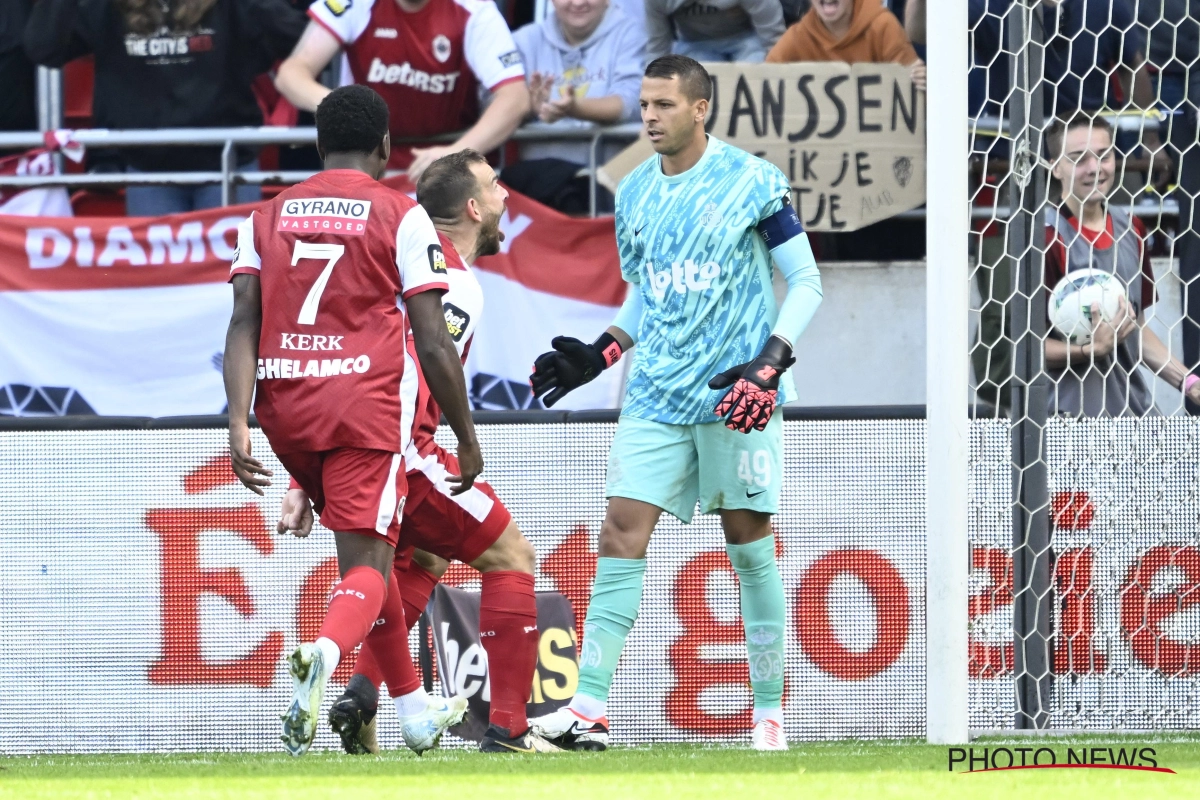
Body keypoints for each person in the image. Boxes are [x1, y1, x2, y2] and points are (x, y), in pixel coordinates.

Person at [527, 55, 823, 752]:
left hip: (737, 394)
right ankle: (590, 710)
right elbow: (648, 291)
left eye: (663, 104)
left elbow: (805, 281)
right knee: (618, 531)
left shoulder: (753, 182)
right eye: (644, 103)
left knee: (749, 548)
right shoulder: (632, 192)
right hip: (657, 392)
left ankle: (769, 716)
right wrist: (601, 353)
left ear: (701, 108)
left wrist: (771, 362)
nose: (650, 117)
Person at [222, 84, 482, 757]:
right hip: (365, 408)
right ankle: (323, 652)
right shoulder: (402, 213)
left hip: (286, 413)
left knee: (375, 562)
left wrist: (238, 421)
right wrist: (466, 434)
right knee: (370, 566)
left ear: (317, 145)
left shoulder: (265, 216)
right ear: (387, 146)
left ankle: (416, 713)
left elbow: (243, 321)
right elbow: (433, 340)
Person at [277, 149, 559, 755]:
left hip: (343, 440)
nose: (507, 193)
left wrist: (309, 474)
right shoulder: (452, 280)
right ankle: (510, 729)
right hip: (398, 446)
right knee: (512, 555)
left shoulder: (401, 265)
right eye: (495, 184)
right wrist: (455, 443)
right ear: (472, 207)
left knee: (416, 562)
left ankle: (365, 696)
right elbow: (424, 359)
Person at [23, 0, 306, 214]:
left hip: (228, 165)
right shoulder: (108, 5)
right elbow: (44, 49)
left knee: (232, 282)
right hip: (150, 171)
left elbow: (300, 39)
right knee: (163, 284)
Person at [1043, 113, 1200, 415]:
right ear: (1055, 167)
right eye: (1078, 158)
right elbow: (1023, 349)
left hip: (1133, 414)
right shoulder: (1046, 237)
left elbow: (1135, 332)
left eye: (1104, 156)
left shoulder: (1131, 228)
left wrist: (1189, 382)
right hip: (1068, 423)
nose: (1094, 169)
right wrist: (1089, 351)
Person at [274, 0, 531, 182]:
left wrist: (456, 153)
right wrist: (348, 107)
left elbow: (515, 98)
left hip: (447, 169)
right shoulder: (355, 4)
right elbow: (291, 74)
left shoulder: (475, 10)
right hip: (367, 163)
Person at [505, 0, 645, 212]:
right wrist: (525, 106)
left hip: (608, 194)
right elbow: (491, 103)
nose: (578, 2)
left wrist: (573, 108)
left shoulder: (634, 34)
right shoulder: (522, 41)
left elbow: (632, 103)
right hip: (534, 196)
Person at [766, 0, 925, 90]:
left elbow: (912, 82)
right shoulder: (798, 36)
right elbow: (761, 83)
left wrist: (921, 78)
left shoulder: (882, 25)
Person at [644, 0, 784, 63]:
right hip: (695, 45)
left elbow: (773, 36)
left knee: (755, 74)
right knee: (693, 83)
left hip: (747, 39)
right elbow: (657, 48)